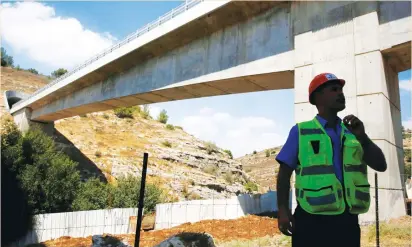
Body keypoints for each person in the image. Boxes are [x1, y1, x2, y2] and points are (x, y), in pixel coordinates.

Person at [276, 73, 387, 247]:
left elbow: (381, 165)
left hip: (347, 220)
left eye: (341, 89)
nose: (340, 93)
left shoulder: (353, 132)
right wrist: (283, 210)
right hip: (310, 218)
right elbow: (284, 174)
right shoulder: (301, 131)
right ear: (317, 97)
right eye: (334, 89)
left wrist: (363, 137)